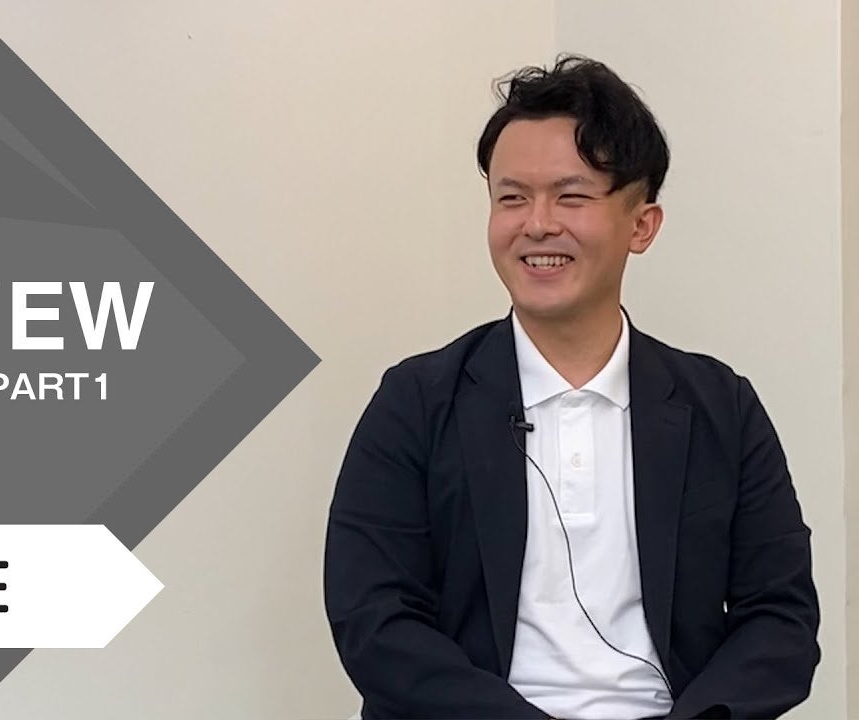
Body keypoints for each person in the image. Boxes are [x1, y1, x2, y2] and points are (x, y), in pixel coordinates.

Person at [323, 55, 820, 720]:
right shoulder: (416, 401)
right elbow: (373, 619)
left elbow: (780, 619)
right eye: (512, 198)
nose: (537, 223)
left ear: (641, 225)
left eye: (571, 196)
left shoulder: (721, 407)